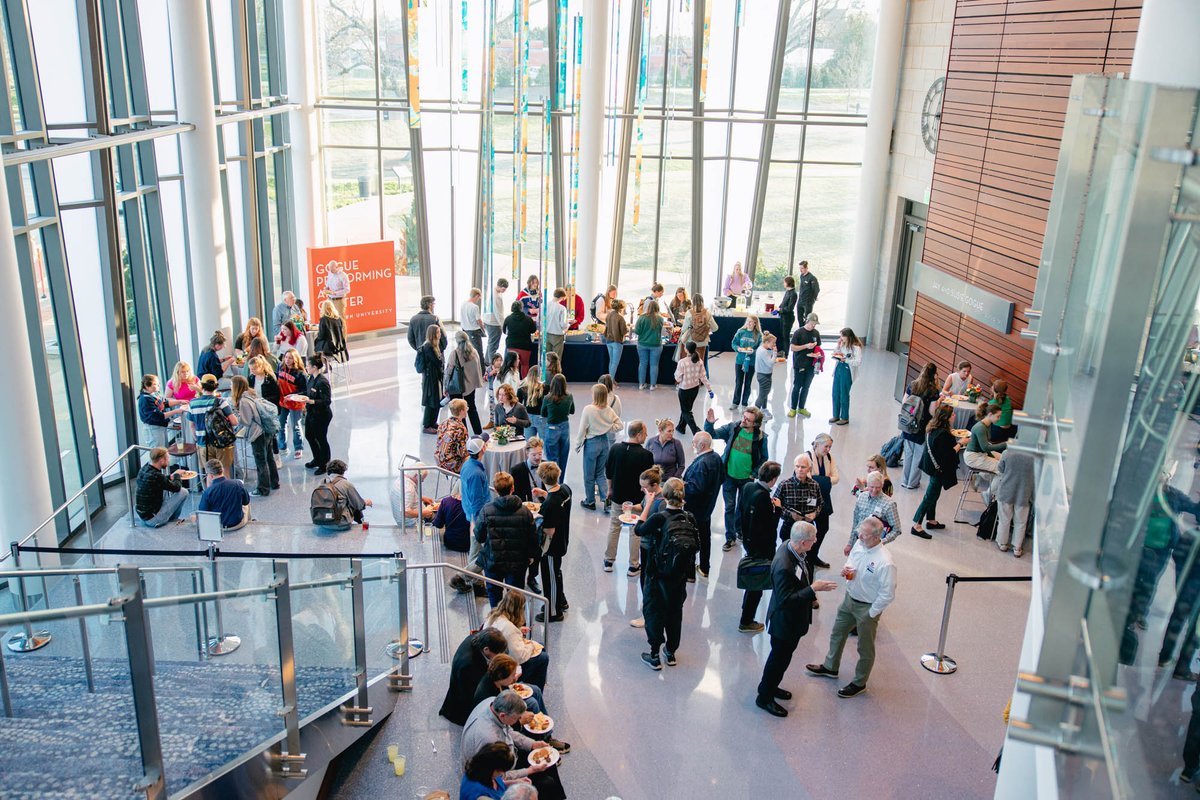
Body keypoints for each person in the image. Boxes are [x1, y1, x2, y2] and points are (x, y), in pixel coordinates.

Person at [807, 516, 897, 698]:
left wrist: (871, 613)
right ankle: (831, 667)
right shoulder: (860, 544)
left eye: (863, 535)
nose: (859, 537)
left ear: (875, 537)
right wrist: (846, 569)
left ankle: (859, 682)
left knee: (865, 647)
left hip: (867, 607)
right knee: (837, 633)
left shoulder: (885, 562)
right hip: (849, 600)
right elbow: (851, 562)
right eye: (860, 533)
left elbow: (888, 593)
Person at [755, 523, 838, 717]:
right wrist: (813, 589)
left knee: (782, 658)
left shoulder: (789, 547)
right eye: (813, 538)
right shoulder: (785, 565)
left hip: (791, 620)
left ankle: (770, 686)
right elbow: (786, 600)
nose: (816, 541)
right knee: (778, 659)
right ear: (802, 542)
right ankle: (764, 696)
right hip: (784, 623)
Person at [634, 477, 699, 670]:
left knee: (654, 611)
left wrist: (649, 503)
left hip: (658, 573)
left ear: (666, 495)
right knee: (674, 612)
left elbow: (639, 529)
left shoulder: (660, 518)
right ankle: (671, 652)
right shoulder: (690, 518)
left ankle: (654, 654)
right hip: (678, 576)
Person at [461, 692, 565, 800]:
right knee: (546, 783)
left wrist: (532, 744)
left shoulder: (492, 703)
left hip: (498, 763)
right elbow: (501, 775)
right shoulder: (489, 739)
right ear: (503, 715)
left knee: (547, 760)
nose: (518, 721)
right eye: (517, 719)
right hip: (499, 767)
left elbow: (508, 731)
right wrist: (529, 771)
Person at [704, 405, 769, 552]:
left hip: (747, 479)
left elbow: (764, 458)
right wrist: (709, 422)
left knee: (742, 507)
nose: (743, 420)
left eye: (748, 419)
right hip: (728, 476)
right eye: (744, 417)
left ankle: (739, 530)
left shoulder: (760, 438)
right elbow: (711, 434)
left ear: (755, 424)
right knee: (730, 507)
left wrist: (754, 473)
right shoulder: (733, 428)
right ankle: (730, 537)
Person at [477, 471, 538, 606]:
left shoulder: (486, 510)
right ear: (513, 488)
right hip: (517, 563)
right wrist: (531, 557)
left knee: (494, 599)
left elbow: (480, 537)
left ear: (496, 490)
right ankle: (517, 625)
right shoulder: (525, 511)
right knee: (515, 601)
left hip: (493, 561)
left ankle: (497, 625)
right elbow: (533, 538)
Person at [738, 461, 783, 633]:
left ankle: (745, 611)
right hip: (762, 548)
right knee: (757, 584)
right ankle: (747, 620)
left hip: (749, 542)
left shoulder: (748, 487)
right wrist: (777, 510)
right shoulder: (763, 497)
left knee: (752, 580)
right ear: (772, 479)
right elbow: (770, 526)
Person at [604, 421, 655, 573]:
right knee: (635, 530)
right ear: (638, 434)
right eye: (645, 433)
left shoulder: (615, 449)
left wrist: (610, 489)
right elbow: (649, 479)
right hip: (636, 501)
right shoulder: (646, 455)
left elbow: (608, 472)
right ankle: (633, 565)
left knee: (614, 527)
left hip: (618, 496)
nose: (646, 436)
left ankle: (608, 561)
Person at [911, 404, 961, 540]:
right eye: (952, 414)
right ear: (946, 418)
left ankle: (931, 520)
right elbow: (949, 455)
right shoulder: (944, 434)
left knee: (934, 494)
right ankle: (916, 525)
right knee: (929, 496)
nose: (954, 415)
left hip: (931, 466)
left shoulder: (933, 427)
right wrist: (961, 443)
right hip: (938, 470)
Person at [440, 627, 508, 724]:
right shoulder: (470, 666)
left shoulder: (476, 639)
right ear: (486, 649)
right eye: (497, 653)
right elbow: (472, 696)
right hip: (462, 708)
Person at [485, 591, 551, 689]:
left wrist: (518, 630)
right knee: (543, 657)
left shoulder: (494, 615)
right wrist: (532, 645)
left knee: (541, 648)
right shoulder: (509, 628)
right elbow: (520, 657)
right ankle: (533, 689)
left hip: (493, 661)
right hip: (502, 668)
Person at [576, 383, 622, 511]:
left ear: (595, 395)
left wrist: (578, 444)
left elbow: (582, 429)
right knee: (601, 473)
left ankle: (590, 501)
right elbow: (620, 425)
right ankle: (606, 501)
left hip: (591, 443)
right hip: (604, 442)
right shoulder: (608, 410)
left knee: (589, 475)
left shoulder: (588, 409)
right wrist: (607, 428)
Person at [683, 432, 723, 579]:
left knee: (690, 538)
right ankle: (705, 567)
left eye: (694, 443)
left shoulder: (701, 464)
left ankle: (689, 573)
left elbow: (695, 489)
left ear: (702, 445)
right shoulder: (716, 458)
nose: (692, 445)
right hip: (707, 508)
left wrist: (682, 486)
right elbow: (721, 478)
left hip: (694, 509)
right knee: (705, 537)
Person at [535, 460, 571, 622]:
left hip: (551, 547)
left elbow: (549, 532)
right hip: (563, 539)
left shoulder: (549, 505)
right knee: (556, 572)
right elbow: (555, 497)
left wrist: (541, 551)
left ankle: (554, 612)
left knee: (549, 578)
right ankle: (560, 601)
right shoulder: (565, 490)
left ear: (542, 479)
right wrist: (544, 494)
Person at [231, 375, 278, 496]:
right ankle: (274, 482)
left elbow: (246, 421)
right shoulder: (252, 394)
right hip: (266, 429)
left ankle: (263, 488)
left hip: (257, 433)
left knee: (260, 461)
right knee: (269, 457)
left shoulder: (243, 401)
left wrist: (237, 417)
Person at [900, 362, 940, 490]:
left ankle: (904, 480)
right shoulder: (933, 390)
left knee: (908, 453)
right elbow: (932, 412)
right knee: (918, 455)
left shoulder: (913, 385)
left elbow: (904, 402)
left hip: (908, 423)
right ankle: (912, 482)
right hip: (922, 427)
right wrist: (939, 402)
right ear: (934, 375)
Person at [188, 374, 238, 476]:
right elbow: (234, 422)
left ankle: (211, 492)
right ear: (216, 386)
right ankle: (225, 492)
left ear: (201, 387)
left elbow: (192, 426)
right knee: (224, 472)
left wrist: (198, 440)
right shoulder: (221, 402)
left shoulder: (192, 403)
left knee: (210, 474)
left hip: (204, 443)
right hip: (222, 441)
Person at [772, 454, 824, 551]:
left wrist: (814, 514)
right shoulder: (785, 484)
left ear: (809, 468)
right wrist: (790, 514)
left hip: (808, 528)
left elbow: (820, 504)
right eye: (797, 466)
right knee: (788, 554)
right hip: (789, 527)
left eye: (803, 467)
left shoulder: (814, 485)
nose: (800, 469)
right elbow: (774, 505)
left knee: (806, 557)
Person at [992, 442, 1035, 556]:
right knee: (1021, 522)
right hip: (1024, 494)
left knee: (1004, 519)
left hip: (1006, 491)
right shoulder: (1035, 457)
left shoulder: (1007, 453)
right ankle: (1017, 548)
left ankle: (1002, 544)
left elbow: (1000, 469)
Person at [805, 433, 839, 569]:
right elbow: (807, 480)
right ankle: (806, 555)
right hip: (809, 498)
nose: (828, 450)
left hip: (823, 497)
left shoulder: (829, 458)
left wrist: (817, 479)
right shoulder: (806, 457)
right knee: (808, 527)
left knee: (823, 527)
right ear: (817, 444)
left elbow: (837, 477)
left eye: (830, 447)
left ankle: (813, 555)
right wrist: (826, 479)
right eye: (826, 446)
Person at [845, 472, 901, 551]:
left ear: (882, 485)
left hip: (874, 548)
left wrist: (881, 542)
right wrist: (850, 543)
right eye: (871, 487)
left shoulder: (889, 504)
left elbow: (897, 529)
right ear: (867, 485)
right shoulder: (861, 497)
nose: (874, 490)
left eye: (878, 487)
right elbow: (855, 522)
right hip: (857, 543)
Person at [134, 447, 188, 527]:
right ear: (161, 460)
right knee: (184, 492)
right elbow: (176, 488)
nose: (169, 461)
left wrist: (170, 477)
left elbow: (159, 481)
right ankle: (172, 519)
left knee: (165, 487)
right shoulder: (157, 476)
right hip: (153, 519)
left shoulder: (144, 469)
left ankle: (167, 515)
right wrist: (177, 475)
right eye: (167, 458)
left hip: (143, 515)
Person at [298, 355, 333, 473]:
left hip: (321, 415)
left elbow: (326, 401)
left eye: (308, 365)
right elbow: (307, 392)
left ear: (314, 367)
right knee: (309, 435)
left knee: (321, 438)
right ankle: (317, 459)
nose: (306, 367)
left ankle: (324, 464)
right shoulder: (311, 378)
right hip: (312, 413)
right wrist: (296, 396)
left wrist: (310, 401)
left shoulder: (322, 382)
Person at [446, 330, 486, 434]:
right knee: (472, 408)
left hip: (457, 387)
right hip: (470, 387)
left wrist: (445, 387)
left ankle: (464, 434)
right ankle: (478, 433)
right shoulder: (474, 352)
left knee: (459, 412)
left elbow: (448, 372)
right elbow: (478, 369)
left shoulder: (454, 354)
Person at [197, 458, 251, 530]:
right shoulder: (237, 484)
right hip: (237, 523)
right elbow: (246, 501)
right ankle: (250, 522)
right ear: (222, 470)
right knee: (247, 505)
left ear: (210, 475)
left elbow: (203, 513)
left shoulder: (208, 492)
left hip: (218, 527)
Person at [318, 459, 372, 527]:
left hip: (322, 522)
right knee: (353, 503)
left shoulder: (321, 483)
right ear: (343, 471)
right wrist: (366, 502)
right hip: (339, 523)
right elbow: (358, 505)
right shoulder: (346, 484)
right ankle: (361, 524)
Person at [673, 341, 711, 435]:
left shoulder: (682, 362)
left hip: (684, 389)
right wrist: (709, 389)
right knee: (687, 409)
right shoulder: (700, 361)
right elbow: (703, 377)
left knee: (686, 411)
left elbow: (677, 377)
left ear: (686, 350)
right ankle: (681, 427)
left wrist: (678, 378)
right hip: (695, 389)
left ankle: (696, 431)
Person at [787, 312, 821, 418]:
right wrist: (806, 346)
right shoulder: (799, 332)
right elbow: (792, 348)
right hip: (800, 363)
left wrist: (817, 354)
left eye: (815, 324)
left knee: (806, 387)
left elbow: (818, 347)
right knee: (797, 387)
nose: (814, 325)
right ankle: (793, 408)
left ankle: (801, 408)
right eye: (812, 323)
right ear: (807, 321)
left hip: (811, 364)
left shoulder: (816, 333)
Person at [138, 374, 185, 449]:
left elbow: (164, 403)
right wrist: (176, 411)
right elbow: (158, 416)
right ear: (147, 386)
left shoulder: (153, 395)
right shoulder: (145, 399)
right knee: (158, 452)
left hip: (160, 427)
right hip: (153, 429)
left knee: (164, 450)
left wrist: (180, 401)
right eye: (155, 384)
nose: (158, 385)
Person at [276, 349, 307, 460]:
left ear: (295, 359)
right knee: (281, 425)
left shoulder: (300, 374)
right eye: (286, 357)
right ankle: (282, 446)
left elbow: (304, 391)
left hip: (295, 404)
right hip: (283, 402)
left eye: (290, 358)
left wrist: (292, 395)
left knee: (295, 426)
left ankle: (298, 448)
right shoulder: (280, 367)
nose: (287, 360)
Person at [539, 375, 574, 471]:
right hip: (565, 427)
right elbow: (572, 411)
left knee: (552, 458)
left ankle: (553, 482)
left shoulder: (547, 398)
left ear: (552, 384)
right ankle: (561, 481)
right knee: (563, 456)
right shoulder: (569, 396)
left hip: (551, 429)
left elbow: (543, 413)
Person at [965, 401, 1008, 480]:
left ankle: (979, 477)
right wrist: (1005, 444)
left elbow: (985, 446)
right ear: (990, 415)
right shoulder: (980, 428)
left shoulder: (987, 424)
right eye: (998, 416)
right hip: (973, 456)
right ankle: (989, 492)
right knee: (1003, 470)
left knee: (1005, 460)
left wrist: (992, 456)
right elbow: (985, 447)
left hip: (980, 453)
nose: (999, 419)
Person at [829, 327, 863, 425]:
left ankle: (844, 417)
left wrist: (846, 360)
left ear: (848, 337)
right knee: (835, 393)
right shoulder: (842, 345)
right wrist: (838, 346)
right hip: (839, 369)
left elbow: (858, 362)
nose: (841, 338)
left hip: (847, 371)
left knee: (844, 394)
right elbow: (836, 353)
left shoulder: (856, 348)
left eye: (842, 336)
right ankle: (835, 415)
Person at [417, 324, 446, 434]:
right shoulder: (428, 346)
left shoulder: (435, 345)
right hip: (430, 379)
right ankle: (427, 425)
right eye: (438, 332)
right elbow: (437, 361)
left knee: (436, 400)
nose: (440, 334)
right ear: (433, 334)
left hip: (435, 377)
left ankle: (433, 422)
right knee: (431, 402)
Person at [730, 315, 761, 409]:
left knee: (748, 383)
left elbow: (760, 347)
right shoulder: (741, 331)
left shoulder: (758, 335)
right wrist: (738, 348)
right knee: (739, 382)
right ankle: (735, 402)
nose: (749, 323)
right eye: (748, 321)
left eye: (751, 322)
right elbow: (733, 343)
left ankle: (744, 404)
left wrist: (754, 351)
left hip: (751, 363)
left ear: (755, 323)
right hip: (740, 361)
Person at [676, 294, 715, 365]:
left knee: (687, 364)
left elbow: (684, 329)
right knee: (700, 363)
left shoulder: (689, 312)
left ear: (692, 302)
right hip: (702, 342)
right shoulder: (708, 313)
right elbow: (715, 328)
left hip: (690, 342)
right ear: (702, 301)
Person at [635, 299, 665, 390]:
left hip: (642, 344)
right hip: (656, 345)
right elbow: (662, 332)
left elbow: (637, 331)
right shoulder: (660, 319)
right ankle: (653, 385)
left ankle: (641, 384)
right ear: (657, 308)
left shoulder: (641, 318)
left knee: (643, 364)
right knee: (654, 365)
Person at [503, 301, 539, 379]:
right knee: (525, 364)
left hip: (511, 345)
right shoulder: (528, 319)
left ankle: (512, 381)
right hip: (525, 345)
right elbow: (533, 330)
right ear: (521, 308)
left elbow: (504, 331)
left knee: (512, 365)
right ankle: (524, 383)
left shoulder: (508, 319)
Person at [433, 488, 472, 553]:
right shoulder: (472, 504)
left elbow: (438, 524)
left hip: (449, 542)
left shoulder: (445, 501)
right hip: (467, 544)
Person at [438, 399, 472, 473]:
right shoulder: (460, 429)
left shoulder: (444, 423)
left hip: (440, 461)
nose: (467, 410)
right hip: (451, 466)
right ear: (461, 411)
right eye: (466, 408)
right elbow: (463, 452)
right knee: (475, 458)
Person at [482, 278, 510, 360]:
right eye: (503, 289)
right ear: (499, 286)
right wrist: (503, 325)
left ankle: (487, 361)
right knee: (494, 345)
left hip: (488, 320)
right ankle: (492, 364)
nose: (504, 291)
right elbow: (498, 313)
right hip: (494, 323)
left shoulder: (492, 291)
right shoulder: (496, 296)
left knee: (491, 343)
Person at [753, 332, 778, 418]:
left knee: (764, 393)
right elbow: (770, 363)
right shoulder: (763, 351)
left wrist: (771, 352)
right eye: (773, 343)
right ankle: (755, 414)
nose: (774, 345)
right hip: (764, 375)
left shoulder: (761, 348)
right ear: (766, 342)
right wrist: (775, 354)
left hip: (763, 374)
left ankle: (763, 409)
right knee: (762, 395)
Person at [518, 370, 547, 443]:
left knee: (529, 444)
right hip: (542, 418)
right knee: (545, 445)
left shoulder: (522, 388)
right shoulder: (546, 388)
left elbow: (518, 404)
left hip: (527, 418)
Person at [603, 299, 628, 381]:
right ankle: (610, 381)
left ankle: (611, 380)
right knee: (615, 363)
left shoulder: (609, 315)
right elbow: (624, 331)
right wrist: (627, 327)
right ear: (621, 308)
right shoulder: (620, 318)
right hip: (617, 341)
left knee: (611, 362)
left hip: (608, 341)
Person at [544, 289, 568, 362]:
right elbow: (563, 324)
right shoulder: (562, 308)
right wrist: (568, 325)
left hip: (546, 334)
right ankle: (555, 373)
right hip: (557, 336)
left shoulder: (544, 305)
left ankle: (547, 373)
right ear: (561, 297)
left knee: (547, 359)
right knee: (556, 359)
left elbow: (540, 320)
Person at [462, 287, 485, 358]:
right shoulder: (475, 307)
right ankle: (481, 368)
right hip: (474, 332)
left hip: (465, 330)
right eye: (479, 298)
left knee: (468, 351)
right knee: (478, 352)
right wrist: (483, 328)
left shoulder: (463, 304)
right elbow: (478, 320)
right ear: (477, 296)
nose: (478, 300)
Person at [778, 275, 797, 345]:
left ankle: (786, 353)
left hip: (788, 318)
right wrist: (778, 308)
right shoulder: (787, 292)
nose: (784, 284)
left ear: (788, 283)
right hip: (783, 316)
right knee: (782, 335)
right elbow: (783, 303)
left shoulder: (793, 294)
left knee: (785, 336)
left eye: (784, 282)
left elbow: (790, 308)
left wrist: (780, 310)